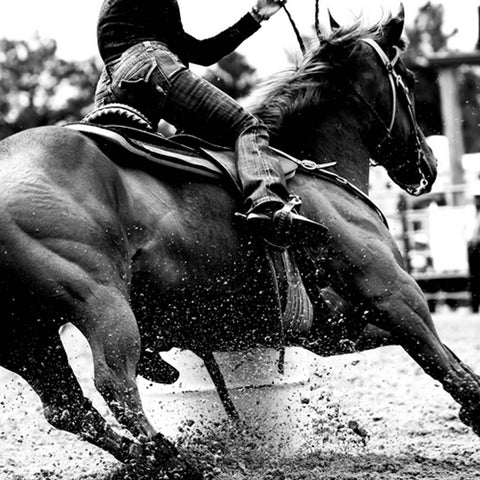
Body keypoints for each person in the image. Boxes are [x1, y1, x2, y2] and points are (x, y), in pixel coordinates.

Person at [94, 0, 326, 248]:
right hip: (149, 63)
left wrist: (257, 15)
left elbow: (201, 53)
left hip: (113, 84)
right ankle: (269, 204)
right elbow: (199, 54)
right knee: (248, 126)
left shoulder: (124, 12)